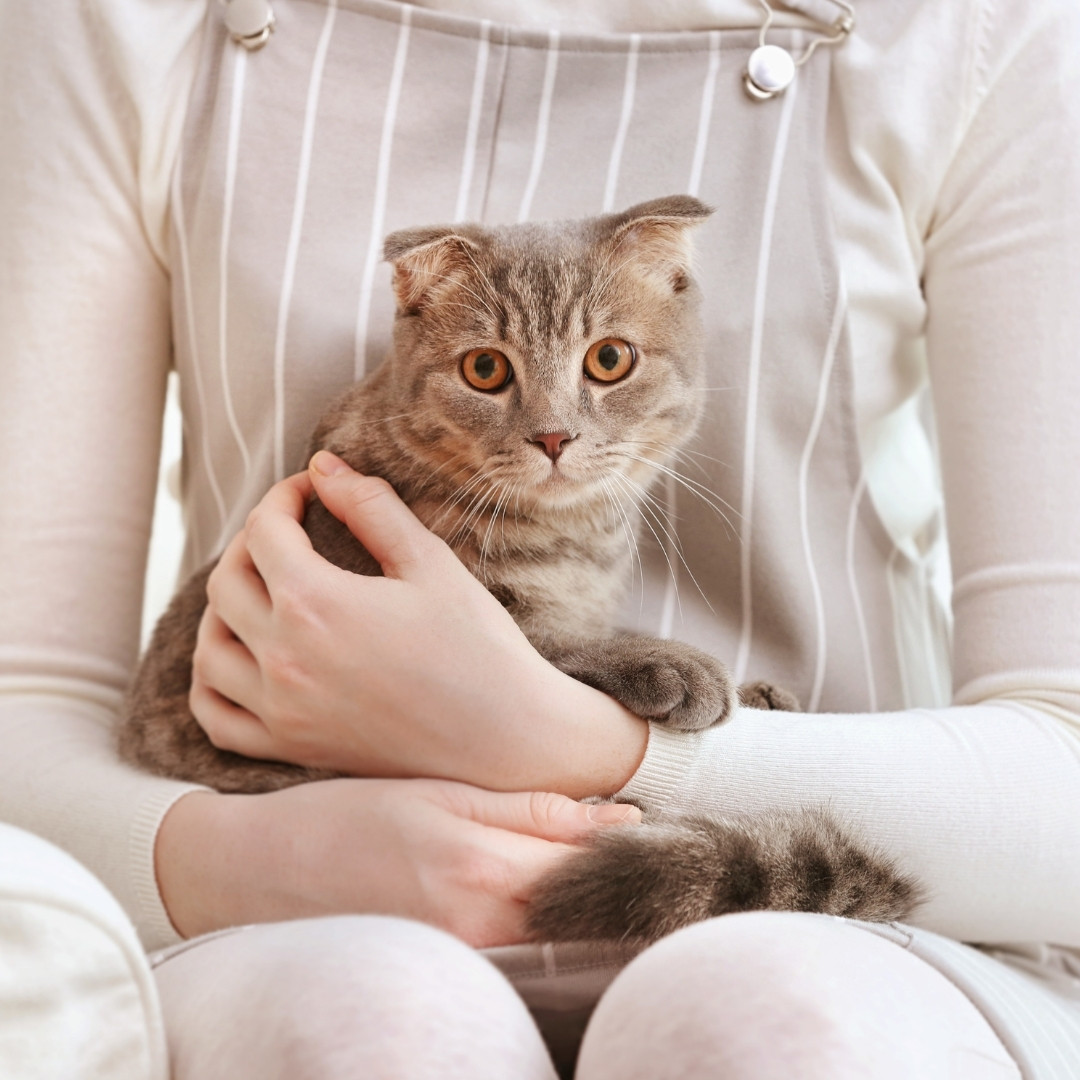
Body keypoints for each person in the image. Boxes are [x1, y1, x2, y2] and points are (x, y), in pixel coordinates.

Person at [1, 0, 1079, 1077]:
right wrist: (238, 857)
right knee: (371, 1018)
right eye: (489, 373)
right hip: (286, 898)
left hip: (852, 875)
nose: (556, 430)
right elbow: (26, 701)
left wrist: (587, 745)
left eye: (609, 364)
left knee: (765, 1016)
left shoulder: (980, 29)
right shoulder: (113, 24)